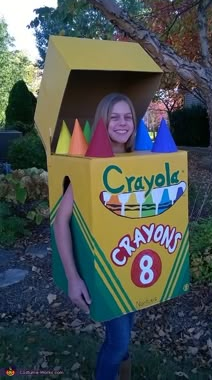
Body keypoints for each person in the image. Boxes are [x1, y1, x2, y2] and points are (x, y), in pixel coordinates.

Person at [54, 93, 137, 380]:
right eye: (114, 117)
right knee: (119, 341)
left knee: (126, 334)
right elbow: (60, 221)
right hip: (104, 275)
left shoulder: (141, 161)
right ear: (103, 122)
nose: (122, 122)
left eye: (127, 116)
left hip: (130, 265)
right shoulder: (91, 165)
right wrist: (72, 277)